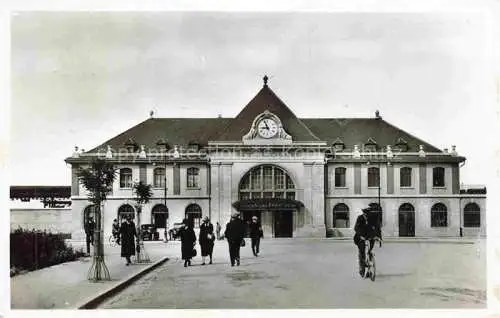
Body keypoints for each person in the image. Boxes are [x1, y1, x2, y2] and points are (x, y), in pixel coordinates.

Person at [353, 204, 382, 277]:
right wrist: (361, 236)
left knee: (369, 250)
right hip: (360, 237)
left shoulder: (373, 218)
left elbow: (377, 228)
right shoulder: (360, 218)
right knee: (362, 253)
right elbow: (356, 228)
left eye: (368, 214)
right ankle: (362, 269)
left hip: (370, 236)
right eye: (365, 214)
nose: (366, 215)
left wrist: (378, 237)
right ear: (363, 213)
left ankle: (369, 266)